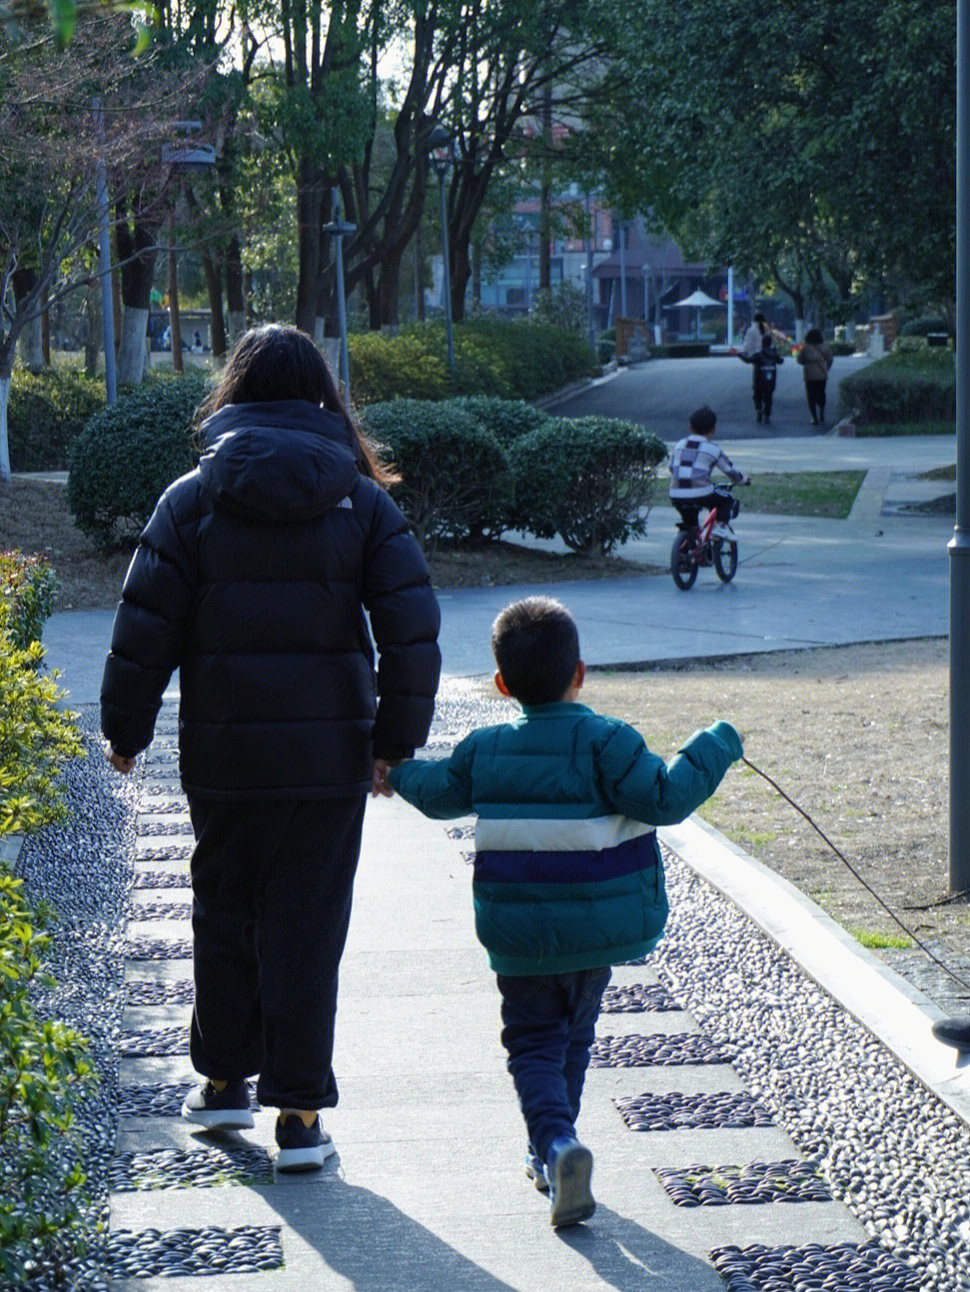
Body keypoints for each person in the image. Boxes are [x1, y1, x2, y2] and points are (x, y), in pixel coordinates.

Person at [101, 323, 441, 1172]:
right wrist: (395, 743)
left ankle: (221, 1086)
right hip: (328, 761)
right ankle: (297, 1116)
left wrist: (126, 730)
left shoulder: (191, 498)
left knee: (222, 912)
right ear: (325, 396)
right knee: (307, 927)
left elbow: (144, 628)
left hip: (224, 759)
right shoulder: (362, 502)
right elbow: (411, 631)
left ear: (233, 393)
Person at [377, 597, 743, 1227]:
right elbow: (666, 797)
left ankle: (554, 1146)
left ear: (501, 685)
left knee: (533, 1044)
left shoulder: (484, 749)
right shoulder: (610, 742)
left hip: (520, 936)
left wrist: (396, 774)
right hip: (595, 933)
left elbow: (439, 793)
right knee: (573, 1036)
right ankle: (555, 1147)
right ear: (581, 672)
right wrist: (718, 744)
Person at [669, 405, 750, 539]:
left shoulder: (679, 445)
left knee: (690, 522)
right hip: (701, 493)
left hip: (675, 493)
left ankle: (689, 546)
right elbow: (729, 470)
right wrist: (742, 480)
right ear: (714, 429)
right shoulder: (713, 449)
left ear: (690, 427)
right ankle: (722, 527)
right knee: (726, 499)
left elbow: (671, 468)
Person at [738, 333, 784, 424]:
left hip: (758, 380)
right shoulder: (774, 355)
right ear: (770, 343)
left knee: (757, 396)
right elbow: (781, 361)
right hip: (770, 380)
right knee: (768, 398)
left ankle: (758, 410)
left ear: (762, 343)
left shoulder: (758, 355)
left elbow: (747, 360)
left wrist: (739, 354)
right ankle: (766, 415)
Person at [797, 327, 834, 427]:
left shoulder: (805, 348)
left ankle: (814, 418)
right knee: (821, 393)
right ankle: (821, 413)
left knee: (811, 396)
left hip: (809, 375)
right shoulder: (825, 347)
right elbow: (830, 359)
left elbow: (799, 360)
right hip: (822, 374)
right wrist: (826, 368)